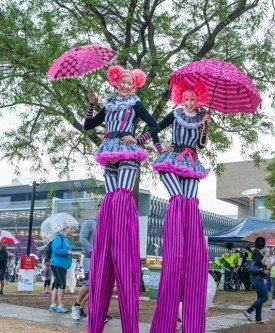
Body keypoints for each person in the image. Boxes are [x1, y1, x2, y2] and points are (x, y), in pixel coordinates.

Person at [84, 65, 159, 333]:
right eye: (122, 82)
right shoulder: (110, 103)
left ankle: (123, 237)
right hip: (108, 151)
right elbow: (89, 125)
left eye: (130, 82)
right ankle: (108, 237)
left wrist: (138, 138)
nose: (126, 86)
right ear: (116, 82)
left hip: (128, 151)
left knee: (123, 195)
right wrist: (91, 104)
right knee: (111, 195)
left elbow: (154, 124)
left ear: (135, 84)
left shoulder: (135, 104)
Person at [149, 79, 210, 333]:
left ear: (197, 100)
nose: (188, 102)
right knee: (178, 200)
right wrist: (160, 147)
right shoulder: (175, 114)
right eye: (185, 99)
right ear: (180, 99)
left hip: (192, 161)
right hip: (174, 158)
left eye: (192, 99)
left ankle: (190, 240)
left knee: (191, 203)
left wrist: (205, 128)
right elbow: (155, 127)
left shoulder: (202, 118)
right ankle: (175, 233)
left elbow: (203, 144)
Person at [71, 216, 97, 320]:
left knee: (97, 287)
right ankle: (77, 305)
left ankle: (90, 310)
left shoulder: (108, 222)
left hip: (102, 259)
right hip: (90, 257)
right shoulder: (90, 222)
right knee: (89, 283)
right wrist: (92, 250)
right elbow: (82, 239)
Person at [48, 225, 75, 313]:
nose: (72, 231)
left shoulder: (67, 239)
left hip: (62, 265)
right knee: (62, 284)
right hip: (57, 264)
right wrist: (67, 251)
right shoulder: (59, 238)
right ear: (65, 228)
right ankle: (60, 305)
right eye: (70, 228)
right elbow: (56, 250)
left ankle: (53, 305)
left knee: (57, 284)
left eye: (73, 229)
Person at [243, 237, 269, 324]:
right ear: (262, 243)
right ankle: (248, 311)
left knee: (260, 297)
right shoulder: (255, 251)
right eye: (264, 242)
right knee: (265, 297)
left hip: (258, 277)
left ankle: (258, 319)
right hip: (256, 277)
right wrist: (265, 255)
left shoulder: (257, 252)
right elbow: (260, 263)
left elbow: (263, 266)